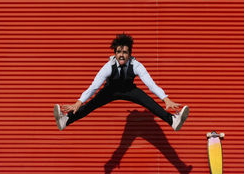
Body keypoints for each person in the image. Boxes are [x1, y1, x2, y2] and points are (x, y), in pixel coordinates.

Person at [54, 33, 189, 131]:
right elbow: (94, 86)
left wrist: (165, 99)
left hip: (130, 90)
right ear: (115, 53)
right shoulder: (109, 66)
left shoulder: (136, 65)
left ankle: (172, 121)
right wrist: (79, 102)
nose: (121, 55)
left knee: (149, 102)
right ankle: (65, 120)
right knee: (90, 105)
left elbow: (151, 84)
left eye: (124, 52)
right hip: (110, 91)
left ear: (129, 54)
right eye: (118, 52)